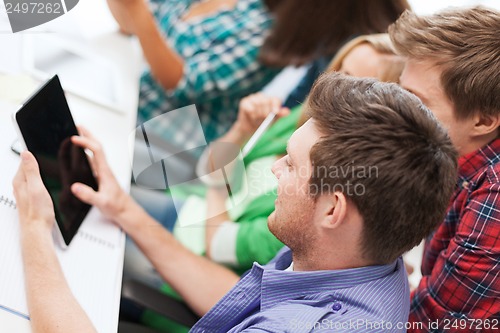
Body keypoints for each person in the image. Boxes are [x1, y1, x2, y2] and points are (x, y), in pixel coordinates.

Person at [13, 73, 457, 333]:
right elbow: (242, 299)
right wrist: (124, 209)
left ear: (332, 209)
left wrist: (33, 228)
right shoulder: (359, 260)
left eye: (291, 163)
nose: (276, 170)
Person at [106, 0, 410, 147]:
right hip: (123, 89)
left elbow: (184, 82)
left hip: (160, 136)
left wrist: (140, 17)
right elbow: (137, 17)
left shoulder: (269, 29)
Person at [388, 6, 500, 332]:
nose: (395, 111)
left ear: (483, 121)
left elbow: (428, 321)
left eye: (415, 101)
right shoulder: (446, 158)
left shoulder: (495, 195)